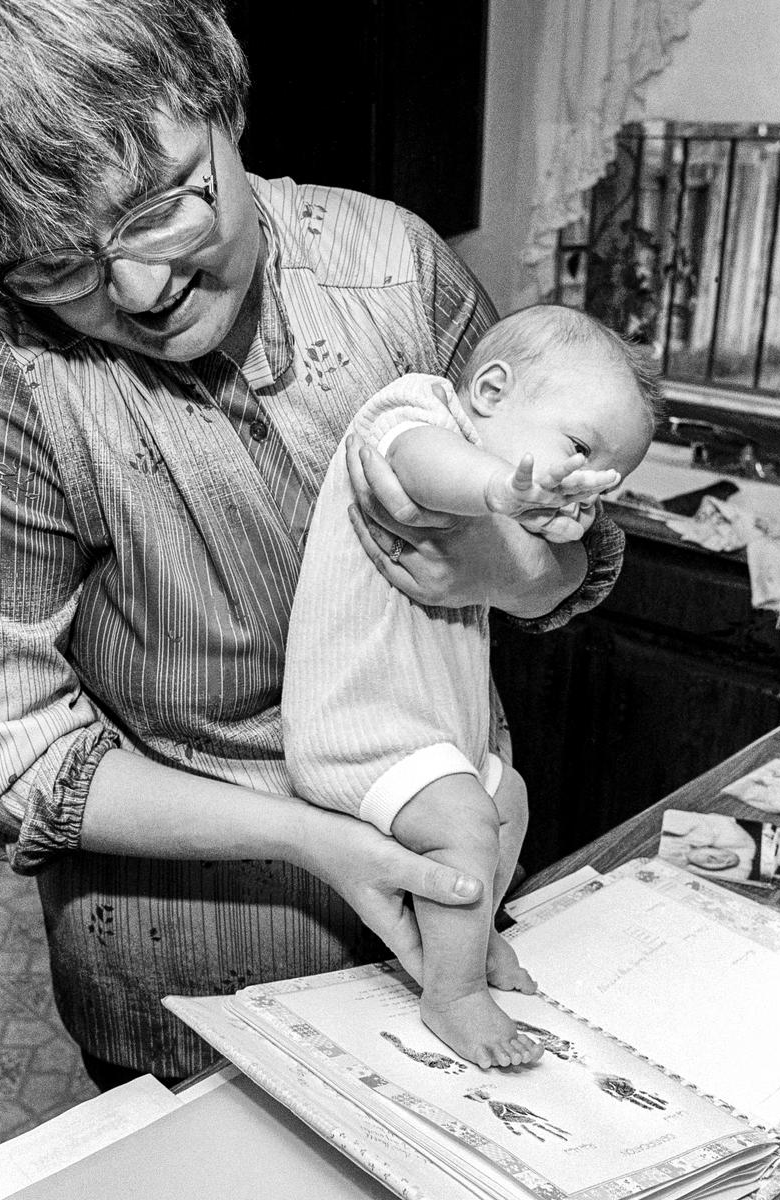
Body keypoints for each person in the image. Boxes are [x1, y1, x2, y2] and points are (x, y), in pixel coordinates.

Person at [0, 0, 627, 1088]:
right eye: (59, 266)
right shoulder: (17, 381)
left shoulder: (391, 264)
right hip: (189, 972)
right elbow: (11, 741)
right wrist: (306, 836)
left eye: (159, 208)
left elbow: (572, 548)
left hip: (457, 886)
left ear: (220, 103)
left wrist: (509, 567)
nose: (141, 291)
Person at [283, 306, 656, 1068]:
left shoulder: (515, 507)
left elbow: (562, 573)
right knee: (464, 825)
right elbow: (419, 465)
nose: (583, 487)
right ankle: (450, 995)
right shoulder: (416, 410)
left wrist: (551, 523)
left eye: (604, 479)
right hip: (358, 724)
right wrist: (500, 491)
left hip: (434, 734)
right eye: (577, 449)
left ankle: (477, 942)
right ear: (489, 389)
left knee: (507, 800)